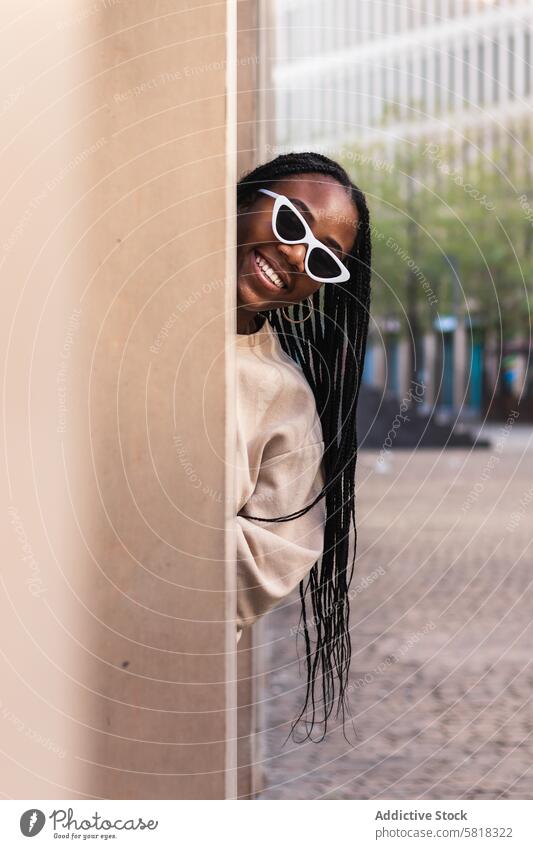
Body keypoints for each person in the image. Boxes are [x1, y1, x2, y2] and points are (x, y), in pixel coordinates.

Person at [234, 152, 372, 740]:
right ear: (245, 200)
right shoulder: (119, 305)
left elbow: (269, 562)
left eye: (321, 258)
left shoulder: (284, 398)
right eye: (291, 223)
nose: (294, 254)